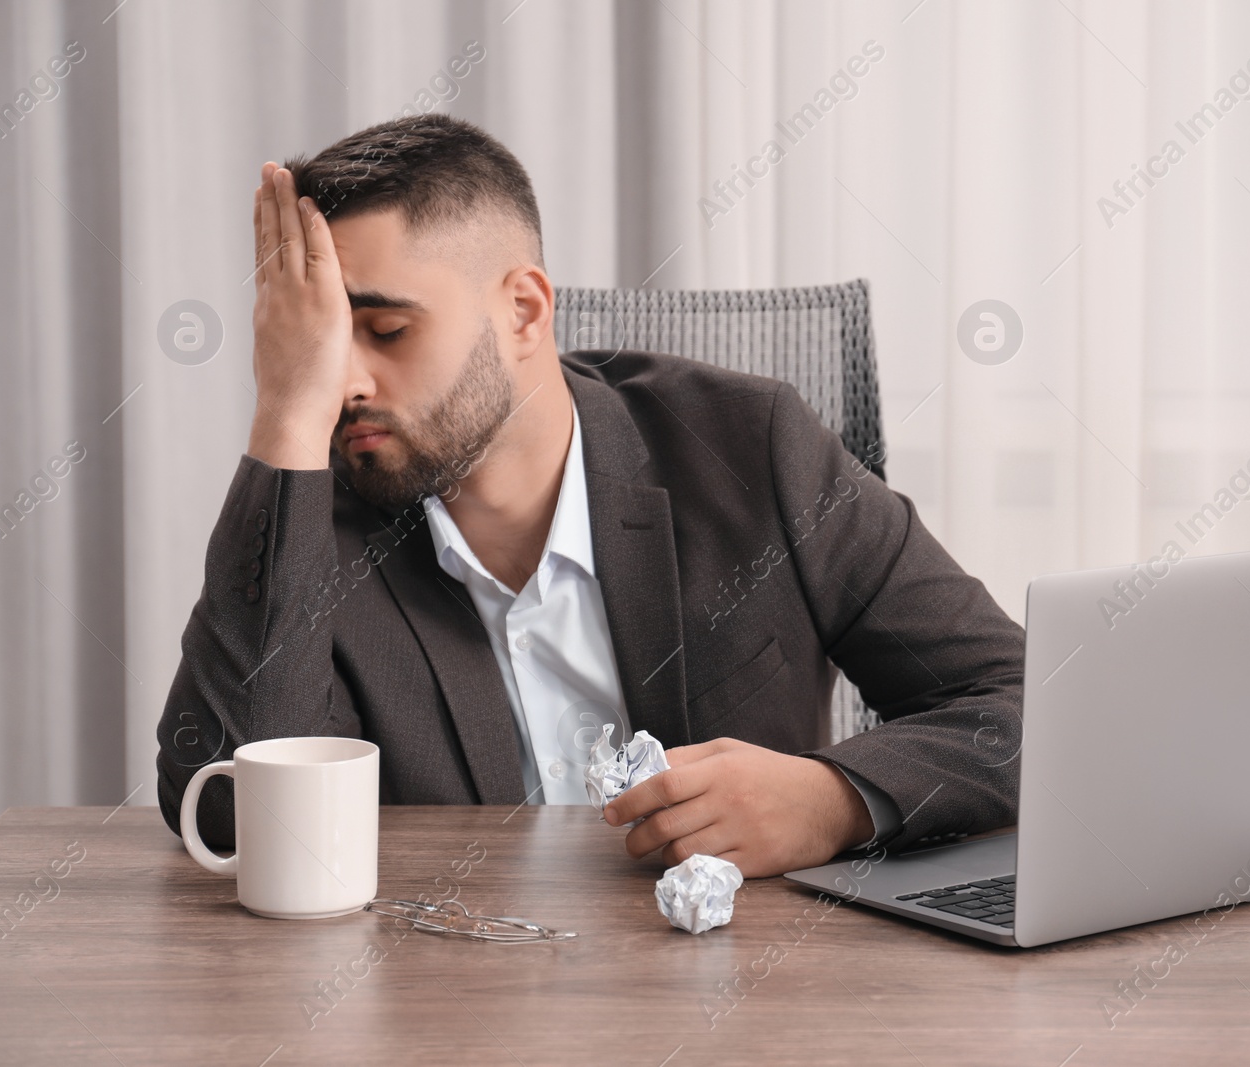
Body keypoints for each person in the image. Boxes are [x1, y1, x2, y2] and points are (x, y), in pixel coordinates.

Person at [155, 114, 1024, 879]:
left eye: (385, 330)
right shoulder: (309, 526)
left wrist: (835, 799)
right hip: (449, 1001)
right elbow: (235, 815)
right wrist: (284, 410)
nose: (343, 382)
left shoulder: (753, 447)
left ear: (525, 311)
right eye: (321, 343)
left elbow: (1024, 704)